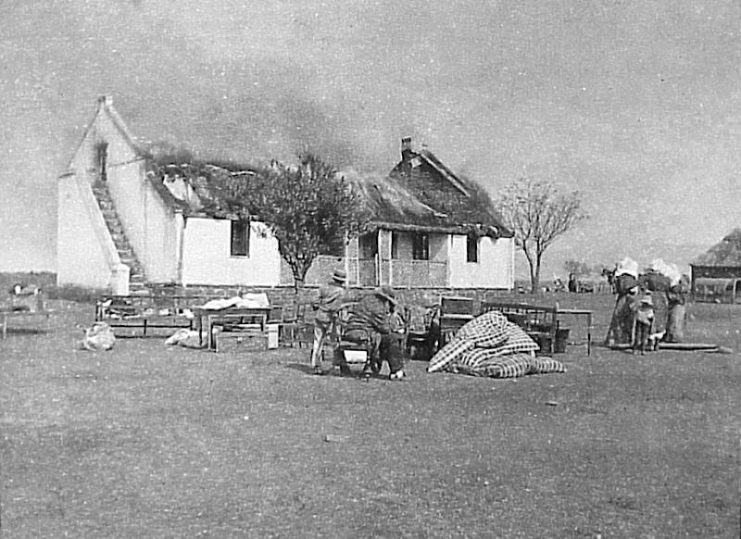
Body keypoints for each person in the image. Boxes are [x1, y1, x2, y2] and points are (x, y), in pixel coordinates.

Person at [337, 285, 405, 380]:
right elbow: (384, 328)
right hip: (364, 334)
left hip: (350, 330)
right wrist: (394, 327)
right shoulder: (379, 308)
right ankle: (397, 370)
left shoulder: (365, 300)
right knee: (391, 339)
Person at [310, 269, 348, 375]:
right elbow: (337, 307)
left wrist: (318, 307)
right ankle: (334, 366)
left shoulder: (324, 287)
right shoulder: (341, 292)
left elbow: (314, 300)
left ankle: (316, 365)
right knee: (334, 343)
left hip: (320, 316)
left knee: (317, 342)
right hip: (332, 319)